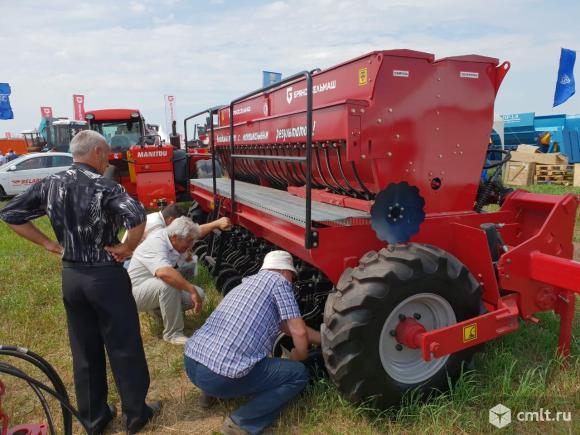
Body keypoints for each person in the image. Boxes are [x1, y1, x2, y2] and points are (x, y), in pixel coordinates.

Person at [0, 130, 159, 434]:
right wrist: (127, 248)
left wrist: (49, 244)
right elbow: (138, 217)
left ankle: (94, 417)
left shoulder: (51, 183)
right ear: (97, 152)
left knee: (84, 349)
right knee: (124, 344)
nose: (108, 158)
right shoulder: (106, 186)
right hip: (105, 275)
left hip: (71, 276)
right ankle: (136, 414)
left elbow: (11, 214)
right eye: (107, 153)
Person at [184, 250, 321, 435]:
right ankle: (241, 423)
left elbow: (287, 326)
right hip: (219, 378)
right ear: (285, 271)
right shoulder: (279, 282)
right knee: (298, 374)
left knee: (222, 348)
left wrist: (323, 339)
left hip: (192, 364)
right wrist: (301, 356)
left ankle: (210, 393)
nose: (292, 281)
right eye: (292, 277)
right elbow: (298, 330)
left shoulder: (247, 284)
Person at [128, 215, 231, 344]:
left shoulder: (173, 236)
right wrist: (191, 290)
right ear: (175, 237)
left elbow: (197, 231)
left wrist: (216, 223)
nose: (191, 245)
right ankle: (173, 334)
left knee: (200, 294)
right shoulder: (156, 242)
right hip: (134, 294)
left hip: (151, 287)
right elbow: (164, 273)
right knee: (168, 284)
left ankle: (157, 311)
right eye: (188, 241)